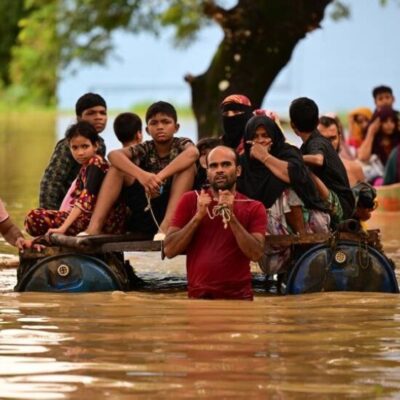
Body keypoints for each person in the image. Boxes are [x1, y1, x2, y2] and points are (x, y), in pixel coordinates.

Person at [81, 101, 199, 239]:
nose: (160, 127)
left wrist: (159, 177)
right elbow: (113, 155)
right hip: (147, 208)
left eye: (165, 122)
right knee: (117, 169)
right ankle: (94, 228)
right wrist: (143, 176)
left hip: (174, 210)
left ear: (176, 127)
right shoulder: (145, 148)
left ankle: (165, 228)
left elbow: (193, 153)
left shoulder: (181, 144)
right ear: (147, 130)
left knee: (188, 167)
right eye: (154, 123)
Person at [164, 145, 266, 300]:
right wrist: (198, 216)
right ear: (207, 173)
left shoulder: (253, 206)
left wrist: (231, 217)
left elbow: (256, 254)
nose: (219, 170)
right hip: (199, 298)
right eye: (213, 166)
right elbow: (169, 250)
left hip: (239, 299)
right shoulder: (190, 200)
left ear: (238, 171)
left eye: (226, 164)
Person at [240, 114, 330, 276]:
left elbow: (293, 175)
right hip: (270, 240)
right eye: (255, 137)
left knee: (286, 188)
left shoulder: (289, 152)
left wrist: (265, 157)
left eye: (265, 136)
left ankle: (302, 243)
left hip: (312, 227)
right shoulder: (243, 164)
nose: (260, 141)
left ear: (274, 136)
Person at [25, 121, 125, 236]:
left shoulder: (96, 162)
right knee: (34, 216)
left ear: (96, 146)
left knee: (34, 217)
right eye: (75, 148)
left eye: (85, 146)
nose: (80, 153)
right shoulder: (86, 166)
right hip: (88, 218)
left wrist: (63, 228)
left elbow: (85, 200)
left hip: (103, 222)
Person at [289, 97, 355, 226]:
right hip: (340, 203)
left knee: (300, 169)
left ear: (292, 125)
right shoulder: (308, 146)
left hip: (342, 207)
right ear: (317, 121)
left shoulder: (317, 142)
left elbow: (318, 160)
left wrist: (293, 158)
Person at [39, 93, 108, 210]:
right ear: (79, 118)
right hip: (65, 207)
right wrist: (51, 215)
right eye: (91, 113)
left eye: (102, 113)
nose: (98, 117)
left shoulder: (100, 144)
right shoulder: (67, 145)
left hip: (86, 206)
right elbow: (50, 184)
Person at [318, 116, 365, 187]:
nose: (328, 144)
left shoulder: (355, 169)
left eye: (332, 138)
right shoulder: (308, 172)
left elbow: (367, 196)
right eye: (323, 139)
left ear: (339, 138)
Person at [357, 106, 400, 184]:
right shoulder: (375, 142)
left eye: (392, 121)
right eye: (385, 121)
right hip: (380, 181)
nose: (389, 124)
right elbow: (363, 157)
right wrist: (371, 131)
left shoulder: (397, 140)